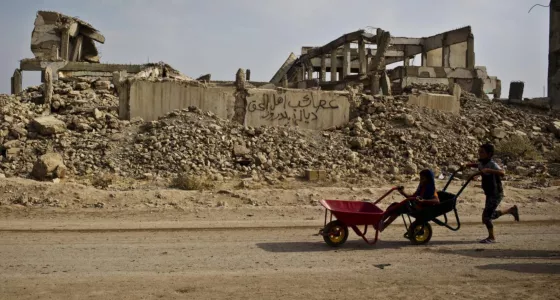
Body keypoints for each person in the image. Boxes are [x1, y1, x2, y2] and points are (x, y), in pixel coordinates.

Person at [461, 143, 520, 244]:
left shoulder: (492, 164)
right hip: (489, 193)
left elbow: (502, 172)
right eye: (479, 151)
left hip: (496, 193)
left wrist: (489, 170)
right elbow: (478, 166)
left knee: (486, 217)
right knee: (487, 216)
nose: (479, 154)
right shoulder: (482, 162)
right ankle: (511, 210)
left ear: (489, 154)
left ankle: (492, 237)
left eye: (482, 152)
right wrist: (468, 165)